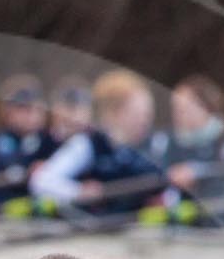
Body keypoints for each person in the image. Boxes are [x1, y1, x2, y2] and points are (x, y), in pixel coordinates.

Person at [28, 69, 165, 213]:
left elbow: (168, 191)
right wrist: (79, 192)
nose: (145, 121)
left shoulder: (154, 144)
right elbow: (41, 182)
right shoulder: (87, 144)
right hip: (97, 230)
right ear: (114, 113)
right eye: (138, 114)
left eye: (147, 114)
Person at [155, 75, 224, 197]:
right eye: (175, 109)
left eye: (184, 109)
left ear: (203, 107)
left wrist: (197, 173)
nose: (178, 115)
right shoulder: (168, 141)